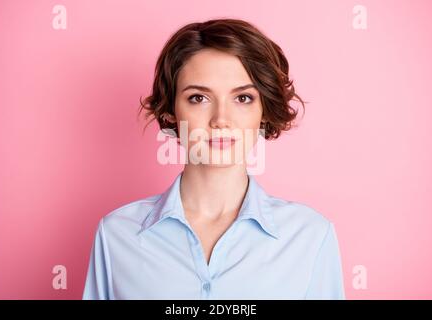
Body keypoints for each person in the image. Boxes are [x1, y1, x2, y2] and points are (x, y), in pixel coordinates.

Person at [82, 18, 345, 300]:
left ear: (265, 112)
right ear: (171, 111)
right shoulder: (117, 235)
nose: (221, 120)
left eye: (243, 98)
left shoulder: (310, 236)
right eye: (198, 98)